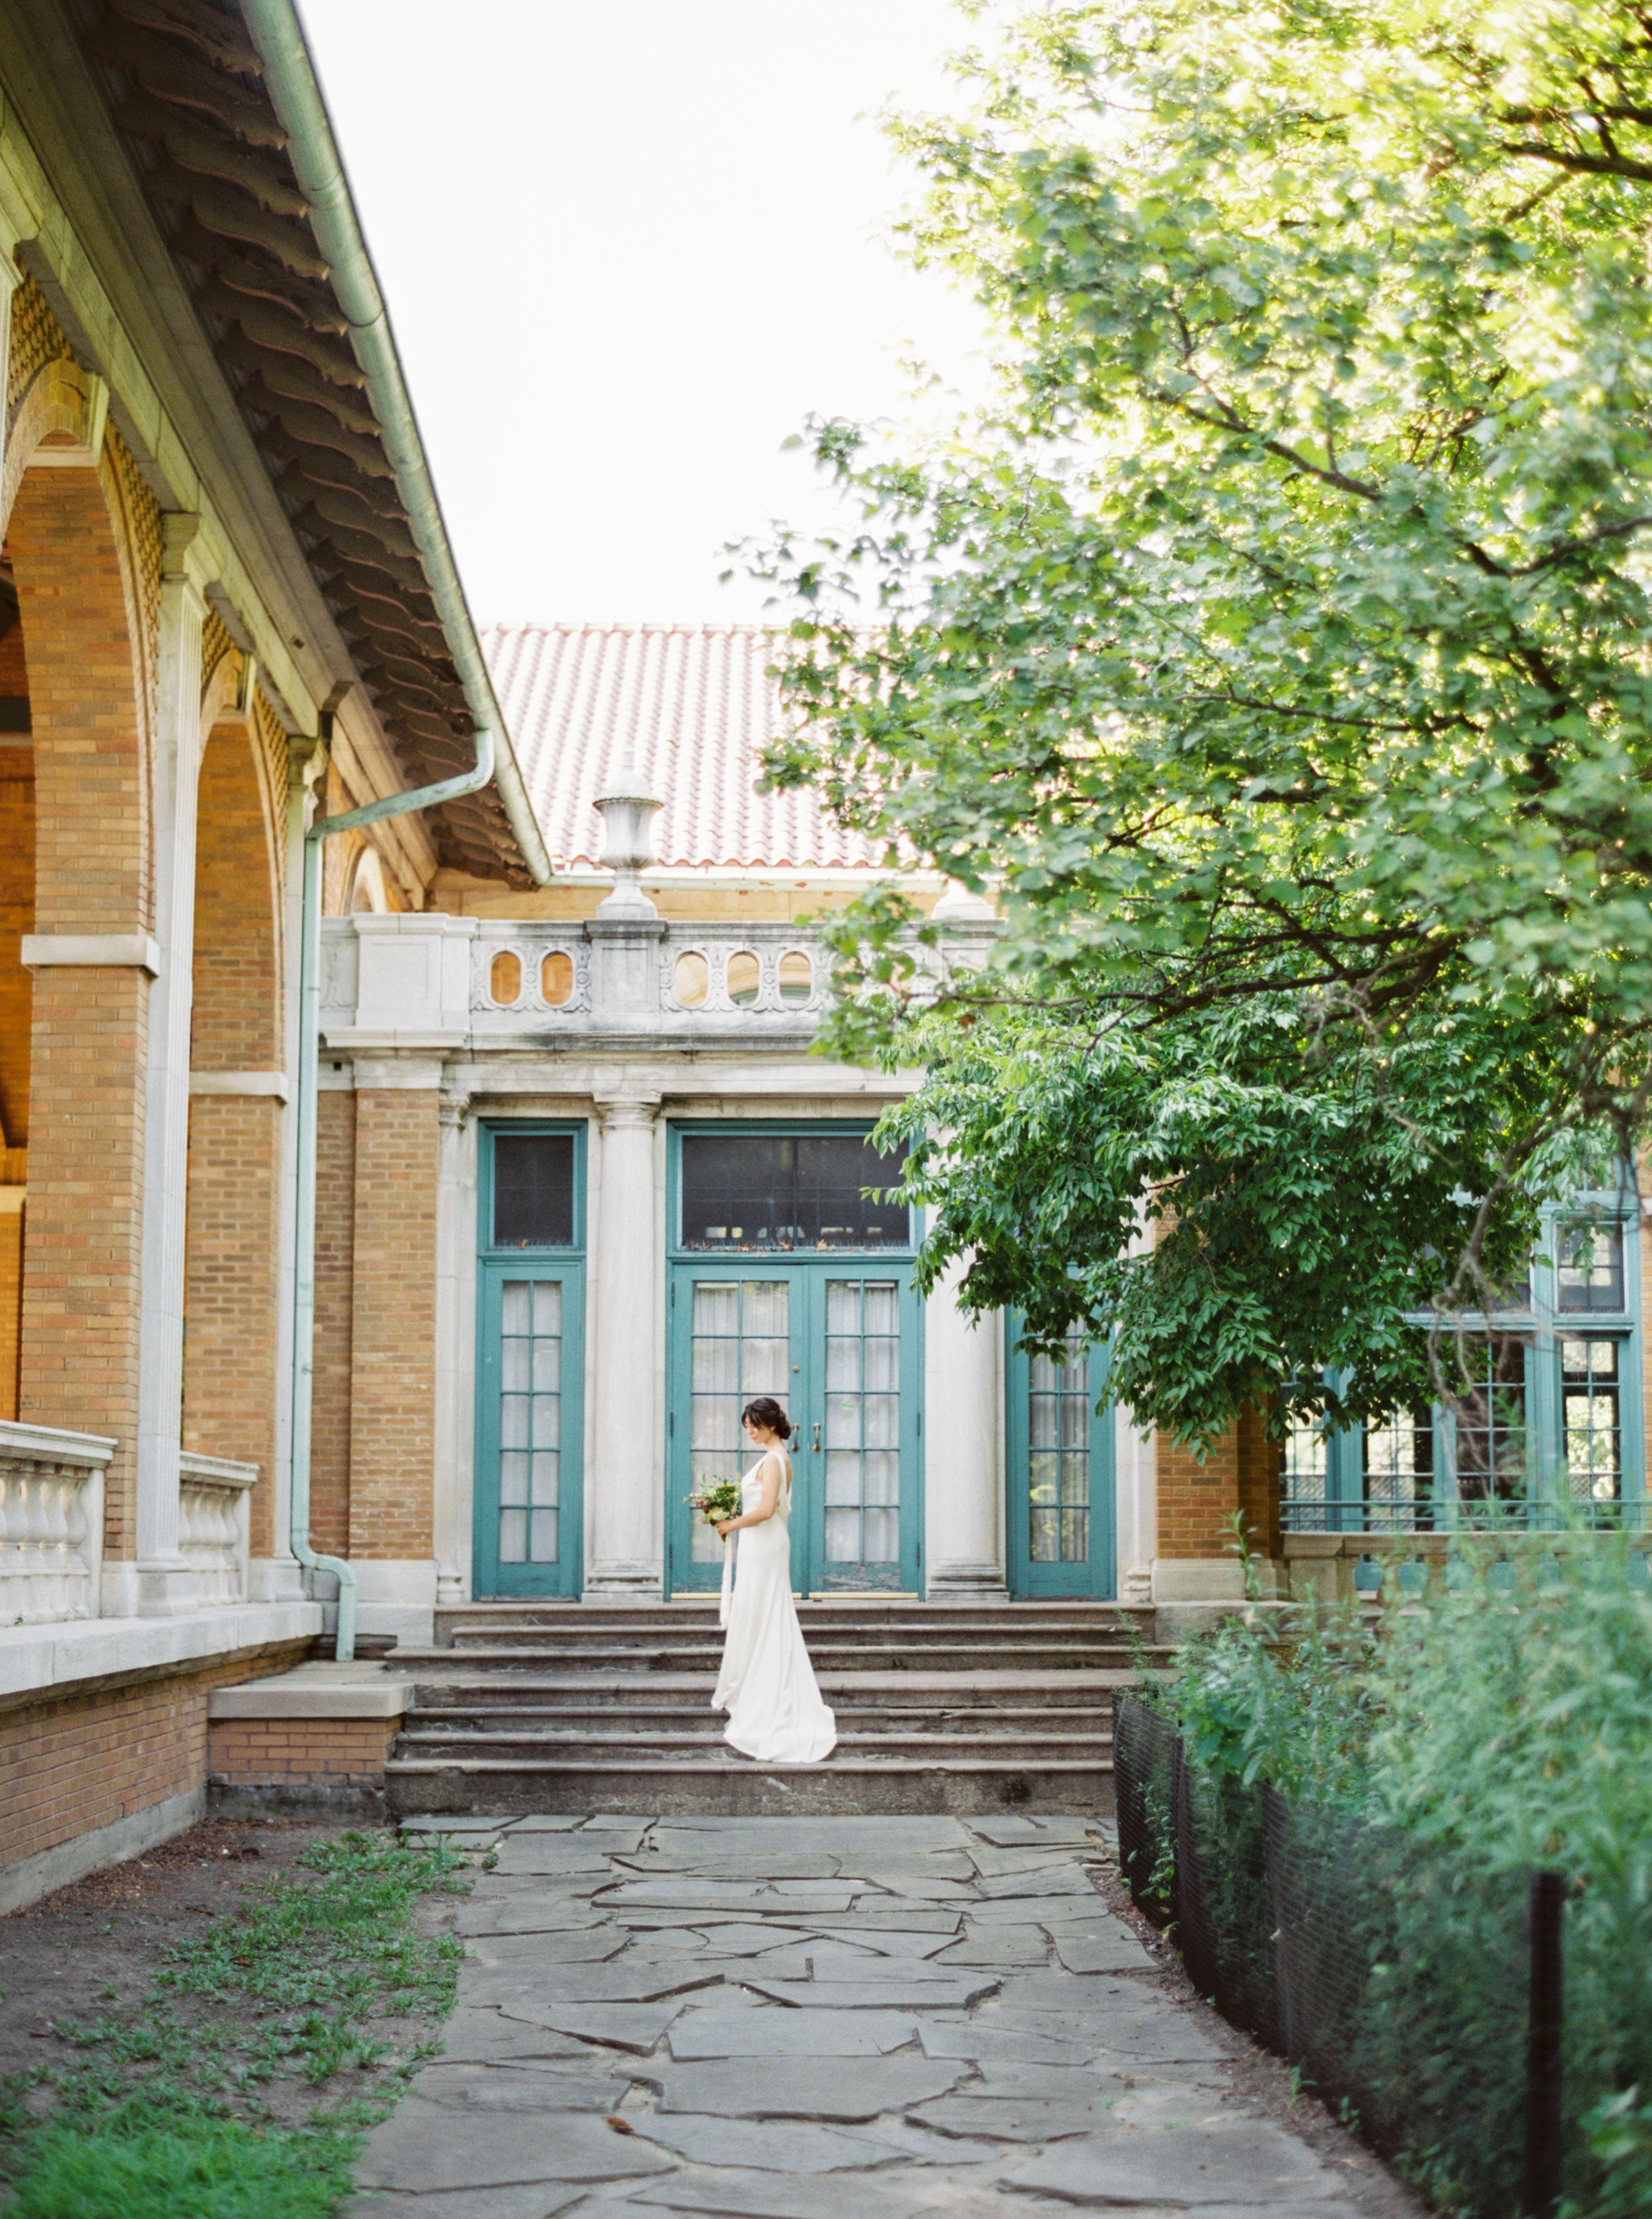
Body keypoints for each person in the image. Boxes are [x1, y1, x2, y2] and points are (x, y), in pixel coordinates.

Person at [710, 1397, 837, 1764]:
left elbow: (765, 1510)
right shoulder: (777, 1457)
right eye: (746, 1426)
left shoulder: (774, 1459)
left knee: (765, 1618)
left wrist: (731, 1523)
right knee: (762, 1617)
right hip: (762, 1546)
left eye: (753, 1425)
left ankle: (768, 1700)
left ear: (769, 1424)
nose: (749, 1431)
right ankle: (755, 1687)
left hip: (764, 1547)